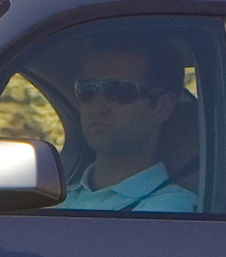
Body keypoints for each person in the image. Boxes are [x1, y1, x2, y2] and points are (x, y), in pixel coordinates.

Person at [56, 36, 198, 213]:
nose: (98, 106)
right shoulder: (61, 197)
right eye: (88, 87)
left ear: (163, 107)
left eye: (120, 91)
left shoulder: (169, 209)